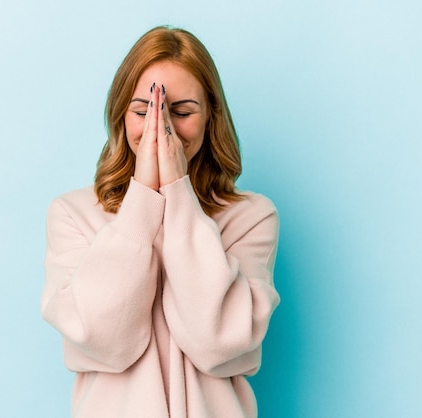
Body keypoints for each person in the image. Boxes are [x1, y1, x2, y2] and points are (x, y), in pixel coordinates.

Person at [41, 25, 280, 418]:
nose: (161, 126)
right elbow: (104, 341)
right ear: (121, 115)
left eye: (182, 112)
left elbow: (218, 343)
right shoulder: (72, 214)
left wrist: (177, 191)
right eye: (143, 111)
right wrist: (143, 199)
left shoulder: (251, 217)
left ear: (210, 117)